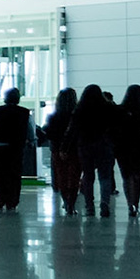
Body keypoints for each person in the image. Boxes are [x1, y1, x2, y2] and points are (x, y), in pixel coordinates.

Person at [0, 89, 33, 213]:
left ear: (5, 98)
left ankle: (1, 200)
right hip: (16, 148)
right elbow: (30, 129)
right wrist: (32, 141)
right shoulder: (25, 112)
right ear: (18, 99)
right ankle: (13, 201)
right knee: (15, 175)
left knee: (0, 175)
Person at [75, 83, 118, 218]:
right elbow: (115, 128)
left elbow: (74, 129)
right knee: (105, 177)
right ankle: (105, 203)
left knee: (88, 177)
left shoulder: (80, 109)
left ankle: (89, 206)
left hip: (86, 147)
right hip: (104, 146)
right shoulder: (109, 108)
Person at [118, 85, 140, 219]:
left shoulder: (120, 111)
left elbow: (114, 131)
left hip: (123, 146)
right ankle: (136, 204)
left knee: (126, 177)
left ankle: (129, 204)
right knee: (137, 176)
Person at [43, 87, 80, 215]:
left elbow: (48, 133)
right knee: (74, 177)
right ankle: (72, 203)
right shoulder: (77, 115)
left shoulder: (53, 116)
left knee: (62, 176)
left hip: (57, 150)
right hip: (74, 149)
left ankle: (66, 201)